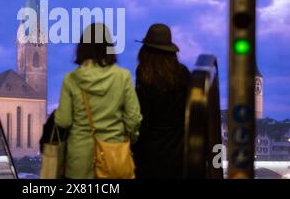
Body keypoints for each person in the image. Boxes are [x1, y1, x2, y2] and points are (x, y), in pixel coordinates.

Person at [54, 23, 142, 179]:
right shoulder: (123, 76)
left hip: (79, 163)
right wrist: (130, 138)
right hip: (114, 159)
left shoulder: (71, 79)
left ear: (82, 47)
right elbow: (134, 119)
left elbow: (63, 121)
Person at [132, 23, 190, 179]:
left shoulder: (144, 74)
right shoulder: (183, 73)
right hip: (178, 150)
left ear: (145, 51)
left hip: (149, 152)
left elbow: (143, 117)